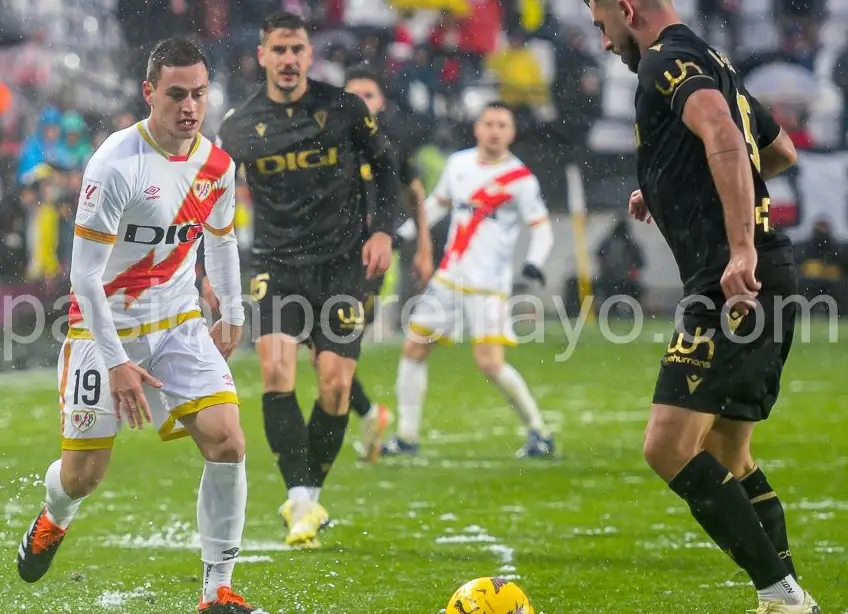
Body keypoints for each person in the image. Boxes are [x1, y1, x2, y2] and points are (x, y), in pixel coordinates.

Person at [15, 38, 267, 613]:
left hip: (178, 320)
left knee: (228, 440)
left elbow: (221, 242)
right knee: (82, 477)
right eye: (176, 94)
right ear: (148, 92)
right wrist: (116, 362)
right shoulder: (114, 165)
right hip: (102, 326)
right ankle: (55, 516)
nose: (189, 106)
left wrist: (231, 310)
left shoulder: (217, 166)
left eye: (199, 94)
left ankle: (217, 591)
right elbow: (83, 279)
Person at [585, 1, 818, 612]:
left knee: (667, 446)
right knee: (728, 454)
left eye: (600, 24)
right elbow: (780, 151)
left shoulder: (666, 58)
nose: (604, 42)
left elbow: (719, 132)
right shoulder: (712, 58)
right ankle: (787, 598)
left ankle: (782, 597)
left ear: (626, 9)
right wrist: (672, 180)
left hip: (733, 283)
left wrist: (738, 247)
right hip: (768, 271)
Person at [215, 12, 399, 548]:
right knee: (276, 370)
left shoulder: (343, 109)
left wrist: (383, 232)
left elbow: (387, 168)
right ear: (263, 56)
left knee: (337, 386)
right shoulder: (238, 125)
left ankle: (307, 498)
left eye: (297, 49)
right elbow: (213, 199)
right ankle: (301, 499)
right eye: (279, 50)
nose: (289, 59)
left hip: (341, 263)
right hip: (274, 263)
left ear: (309, 54)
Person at [383, 101, 555, 459]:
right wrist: (401, 234)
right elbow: (436, 204)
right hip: (449, 276)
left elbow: (542, 229)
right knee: (414, 349)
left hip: (488, 285)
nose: (494, 130)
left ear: (512, 133)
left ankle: (539, 431)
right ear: (477, 128)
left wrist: (535, 262)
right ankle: (407, 436)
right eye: (489, 123)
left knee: (489, 362)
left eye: (502, 125)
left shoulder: (520, 180)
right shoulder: (458, 164)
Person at [342, 63, 434, 461]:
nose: (362, 102)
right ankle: (368, 412)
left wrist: (426, 246)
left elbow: (415, 194)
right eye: (354, 95)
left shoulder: (392, 143)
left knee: (335, 346)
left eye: (369, 94)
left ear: (381, 102)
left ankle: (361, 412)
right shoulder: (330, 141)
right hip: (328, 253)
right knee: (323, 348)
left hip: (375, 257)